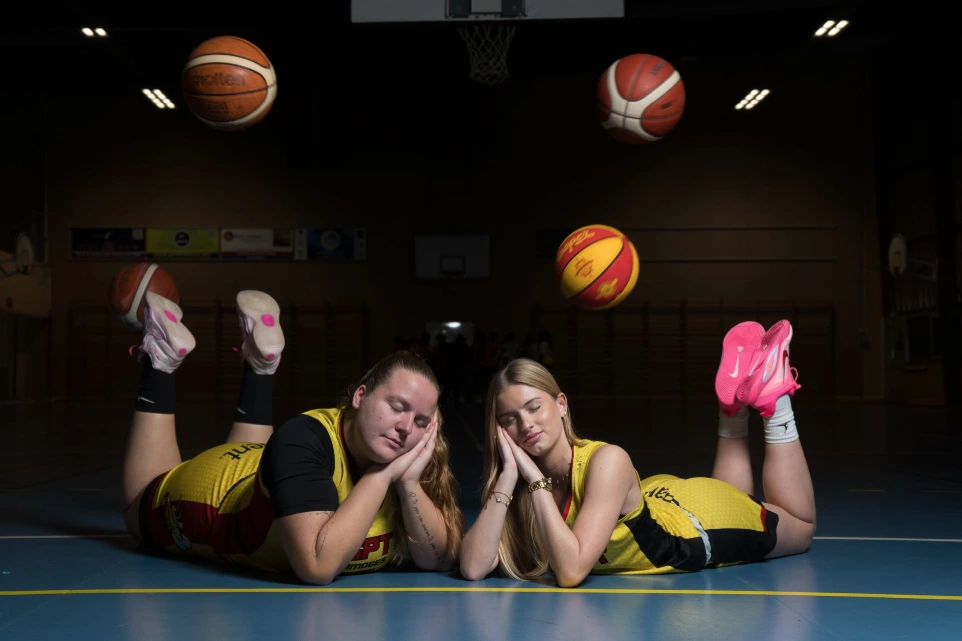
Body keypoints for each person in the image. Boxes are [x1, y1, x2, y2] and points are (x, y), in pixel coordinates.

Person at [120, 290, 464, 585]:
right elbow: (317, 566)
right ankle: (161, 360)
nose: (406, 427)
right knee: (137, 507)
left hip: (263, 464)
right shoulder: (304, 440)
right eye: (397, 407)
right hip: (210, 494)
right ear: (360, 396)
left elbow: (440, 558)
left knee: (275, 468)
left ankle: (261, 366)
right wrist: (382, 475)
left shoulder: (405, 464)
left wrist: (408, 485)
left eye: (420, 421)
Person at [458, 320, 815, 587]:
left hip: (696, 526)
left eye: (534, 407)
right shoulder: (517, 484)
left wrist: (535, 480)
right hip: (660, 498)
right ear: (499, 430)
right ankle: (732, 409)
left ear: (561, 404)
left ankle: (775, 401)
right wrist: (507, 477)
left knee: (801, 527)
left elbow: (571, 571)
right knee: (740, 496)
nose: (526, 424)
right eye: (510, 419)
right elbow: (473, 567)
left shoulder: (606, 460)